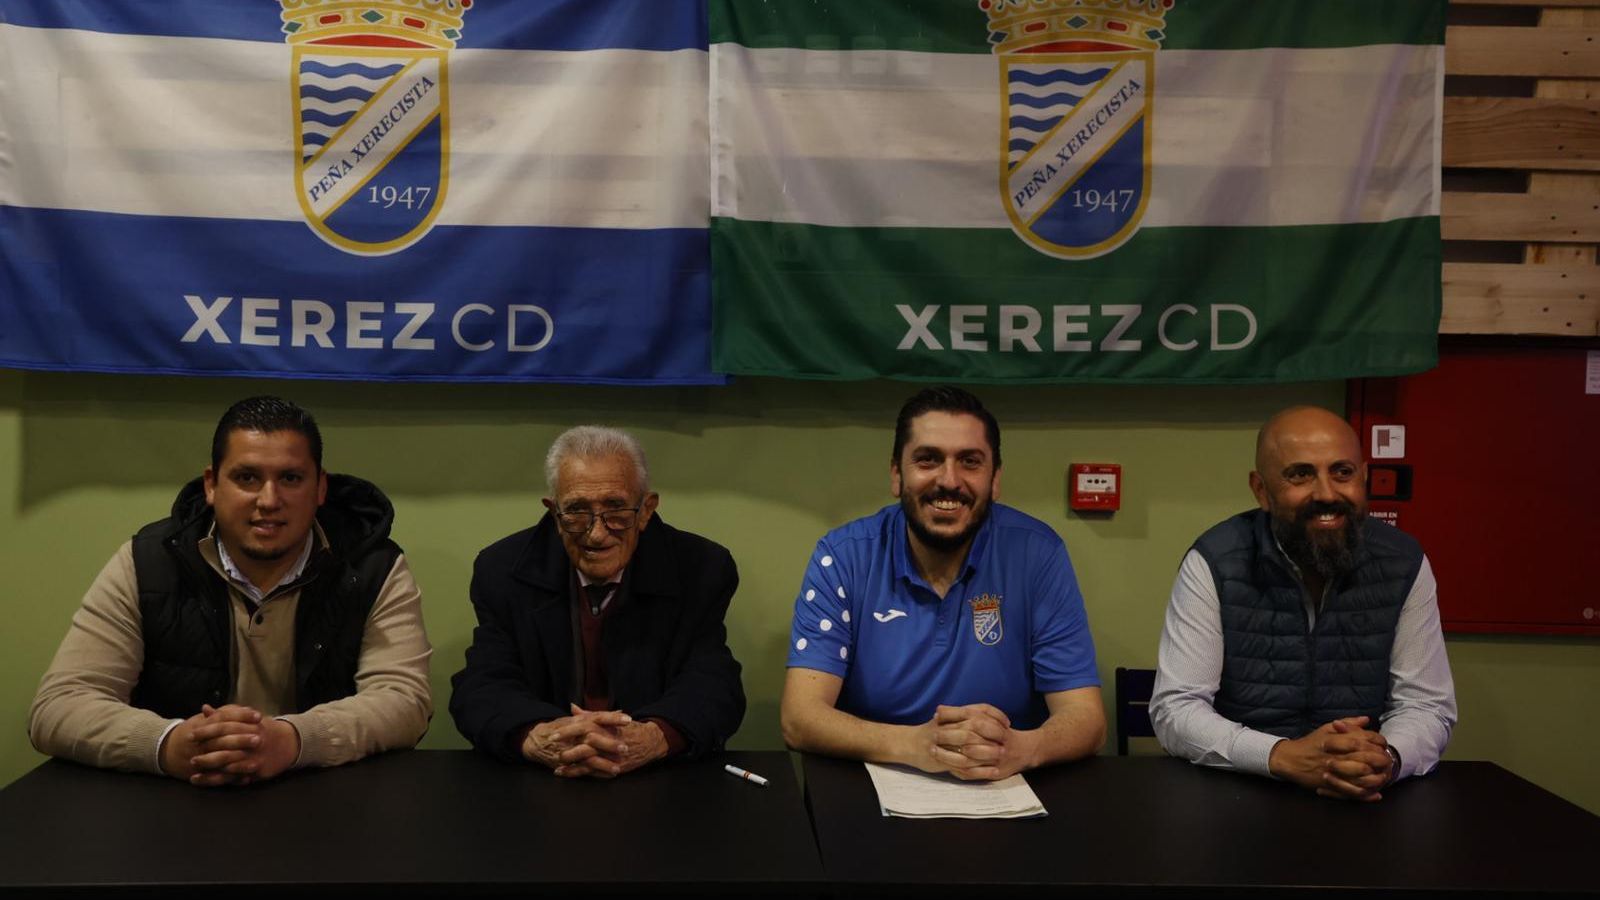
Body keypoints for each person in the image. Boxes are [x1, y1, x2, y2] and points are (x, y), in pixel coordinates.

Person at [29, 396, 433, 787]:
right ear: (211, 484)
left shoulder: (373, 567)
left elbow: (404, 700)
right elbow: (60, 705)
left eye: (290, 478)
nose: (269, 500)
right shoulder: (148, 562)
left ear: (320, 488)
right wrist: (169, 744)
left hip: (328, 801)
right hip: (175, 802)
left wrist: (293, 740)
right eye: (247, 478)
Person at [781, 386, 1104, 781]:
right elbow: (800, 718)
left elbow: (1086, 719)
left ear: (995, 479)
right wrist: (915, 746)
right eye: (928, 459)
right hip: (872, 788)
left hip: (1002, 786)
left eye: (970, 462)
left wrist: (1022, 749)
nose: (949, 480)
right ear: (897, 475)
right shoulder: (843, 556)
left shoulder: (1038, 554)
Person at [1149, 405, 1456, 802]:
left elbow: (1427, 706)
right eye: (1300, 474)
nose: (1326, 493)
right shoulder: (1216, 560)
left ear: (1363, 477)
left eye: (1342, 472)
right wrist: (1280, 756)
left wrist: (1385, 760)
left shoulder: (1404, 561)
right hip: (1240, 792)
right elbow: (1176, 708)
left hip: (1361, 795)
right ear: (1261, 490)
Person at [449, 426, 744, 778]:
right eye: (577, 511)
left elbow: (714, 684)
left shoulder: (702, 569)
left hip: (659, 777)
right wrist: (540, 737)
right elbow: (482, 685)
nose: (597, 533)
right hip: (543, 778)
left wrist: (653, 737)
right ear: (554, 514)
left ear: (646, 510)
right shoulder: (502, 570)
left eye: (616, 509)